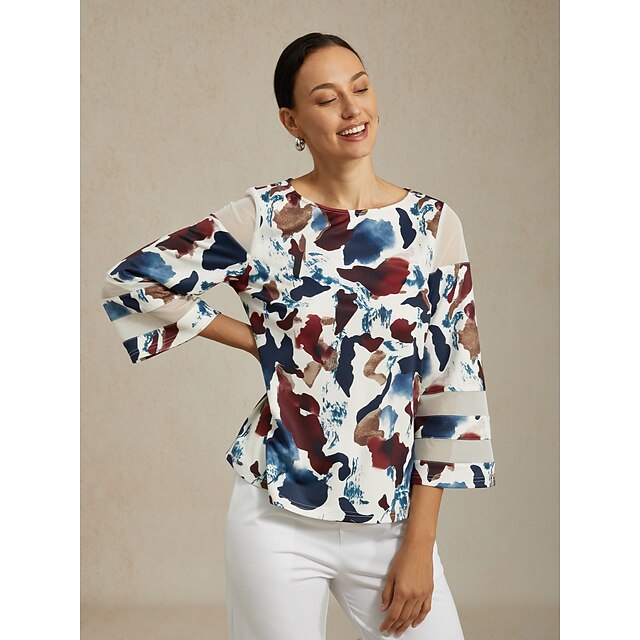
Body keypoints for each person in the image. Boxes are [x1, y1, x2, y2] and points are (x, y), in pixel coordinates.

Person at [101, 32, 495, 640]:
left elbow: (452, 386)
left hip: (391, 521)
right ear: (292, 121)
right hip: (275, 514)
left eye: (360, 88)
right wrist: (258, 339)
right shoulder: (264, 217)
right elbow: (133, 283)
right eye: (327, 98)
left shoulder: (433, 225)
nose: (352, 109)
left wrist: (420, 543)